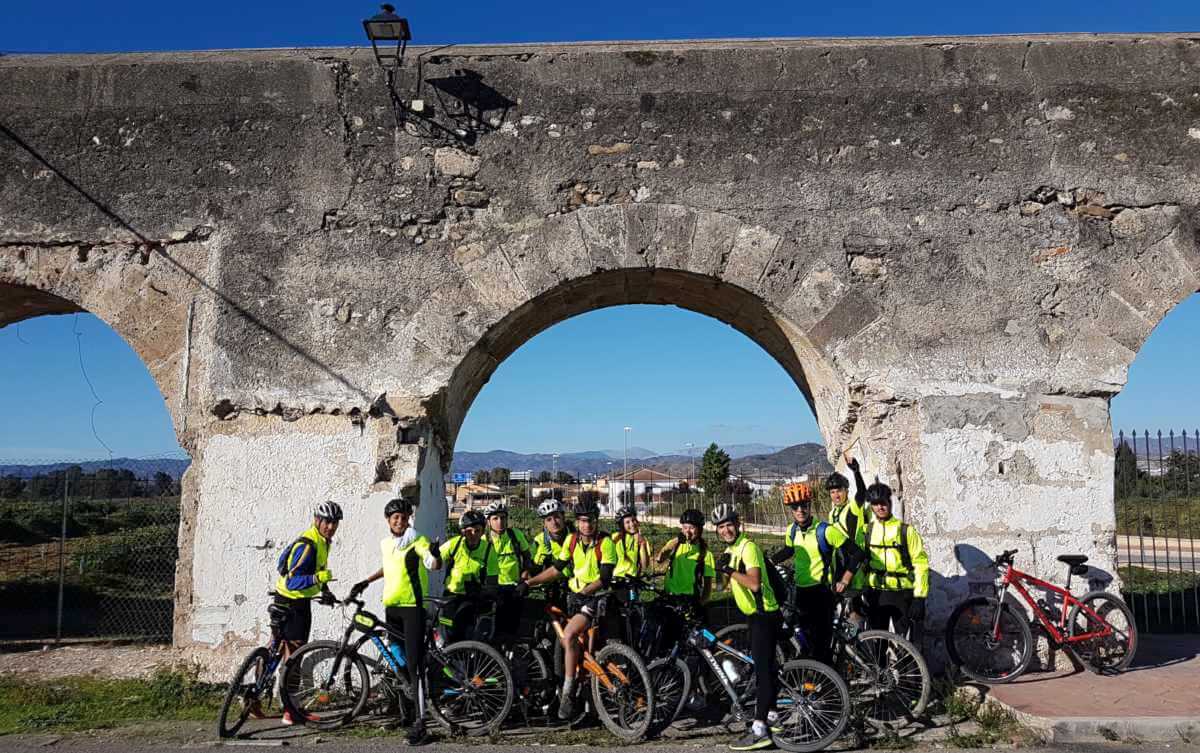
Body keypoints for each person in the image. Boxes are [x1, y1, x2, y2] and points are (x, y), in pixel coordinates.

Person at [348, 488, 443, 744]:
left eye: (402, 517)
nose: (399, 521)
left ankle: (421, 723)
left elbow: (431, 563)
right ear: (388, 521)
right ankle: (407, 713)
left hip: (412, 608)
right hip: (392, 609)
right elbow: (389, 566)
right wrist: (365, 581)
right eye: (394, 518)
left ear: (408, 518)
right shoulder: (386, 543)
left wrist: (435, 554)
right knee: (397, 661)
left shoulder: (417, 540)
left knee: (414, 665)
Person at [519, 500, 616, 719]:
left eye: (590, 521)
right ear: (577, 523)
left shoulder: (605, 542)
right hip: (574, 598)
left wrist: (585, 592)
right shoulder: (571, 541)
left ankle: (567, 694)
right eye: (582, 521)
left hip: (594, 599)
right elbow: (556, 569)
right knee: (577, 647)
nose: (587, 525)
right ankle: (587, 700)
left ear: (596, 521)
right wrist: (529, 583)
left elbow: (605, 578)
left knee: (569, 635)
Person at [769, 482, 865, 664]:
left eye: (803, 505)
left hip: (822, 592)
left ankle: (832, 685)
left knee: (821, 645)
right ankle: (820, 679)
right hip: (801, 592)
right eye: (795, 507)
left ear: (809, 505)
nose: (800, 510)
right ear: (791, 510)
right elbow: (789, 550)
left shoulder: (825, 530)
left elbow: (858, 553)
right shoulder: (791, 531)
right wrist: (769, 562)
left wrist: (845, 579)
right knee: (807, 639)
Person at [713, 503, 780, 751]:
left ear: (738, 524)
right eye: (721, 527)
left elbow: (753, 583)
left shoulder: (748, 548)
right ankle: (773, 716)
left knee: (763, 673)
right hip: (755, 616)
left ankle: (760, 729)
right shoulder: (732, 549)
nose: (726, 530)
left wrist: (729, 570)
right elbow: (727, 586)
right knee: (767, 669)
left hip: (764, 615)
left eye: (730, 524)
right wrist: (725, 571)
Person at [272, 500, 341, 725]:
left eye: (335, 522)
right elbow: (293, 582)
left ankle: (251, 697)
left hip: (291, 601)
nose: (331, 526)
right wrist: (317, 580)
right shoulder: (309, 545)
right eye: (327, 522)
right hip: (293, 603)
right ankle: (291, 711)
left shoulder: (323, 542)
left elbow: (316, 571)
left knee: (276, 648)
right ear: (317, 520)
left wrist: (325, 590)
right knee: (294, 655)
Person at [860, 482, 930, 646]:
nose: (880, 507)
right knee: (878, 643)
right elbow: (860, 562)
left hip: (902, 594)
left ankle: (910, 671)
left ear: (889, 503)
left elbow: (920, 564)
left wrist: (919, 597)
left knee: (906, 643)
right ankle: (880, 671)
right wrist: (860, 590)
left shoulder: (905, 531)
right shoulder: (867, 531)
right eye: (875, 504)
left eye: (883, 502)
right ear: (871, 507)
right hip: (877, 593)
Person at [654, 508, 714, 654]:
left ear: (699, 530)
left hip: (690, 601)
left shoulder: (705, 554)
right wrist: (676, 540)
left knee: (696, 643)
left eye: (692, 528)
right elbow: (659, 558)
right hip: (670, 598)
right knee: (667, 640)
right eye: (685, 527)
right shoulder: (676, 545)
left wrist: (701, 604)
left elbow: (707, 586)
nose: (688, 531)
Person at [481, 500, 532, 642]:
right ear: (488, 521)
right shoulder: (484, 540)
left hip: (514, 587)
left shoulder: (515, 535)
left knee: (513, 628)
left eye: (503, 518)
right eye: (495, 518)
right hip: (494, 589)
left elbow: (527, 557)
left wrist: (525, 575)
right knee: (494, 628)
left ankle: (510, 654)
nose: (500, 522)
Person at [438, 509, 489, 643]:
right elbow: (435, 560)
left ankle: (463, 662)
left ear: (483, 532)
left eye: (477, 530)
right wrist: (433, 555)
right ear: (463, 531)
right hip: (450, 596)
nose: (473, 534)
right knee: (447, 632)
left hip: (471, 597)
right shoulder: (455, 544)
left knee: (466, 633)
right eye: (469, 531)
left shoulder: (488, 549)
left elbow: (493, 576)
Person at [531, 498, 572, 609]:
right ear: (544, 524)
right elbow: (533, 567)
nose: (554, 522)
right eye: (549, 519)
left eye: (557, 517)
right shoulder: (539, 541)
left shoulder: (576, 538)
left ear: (563, 518)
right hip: (551, 587)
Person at [612, 505, 651, 579]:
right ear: (622, 525)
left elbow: (645, 565)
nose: (632, 524)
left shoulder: (642, 539)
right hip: (617, 578)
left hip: (633, 579)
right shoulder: (616, 537)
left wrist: (642, 544)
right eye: (627, 522)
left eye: (633, 520)